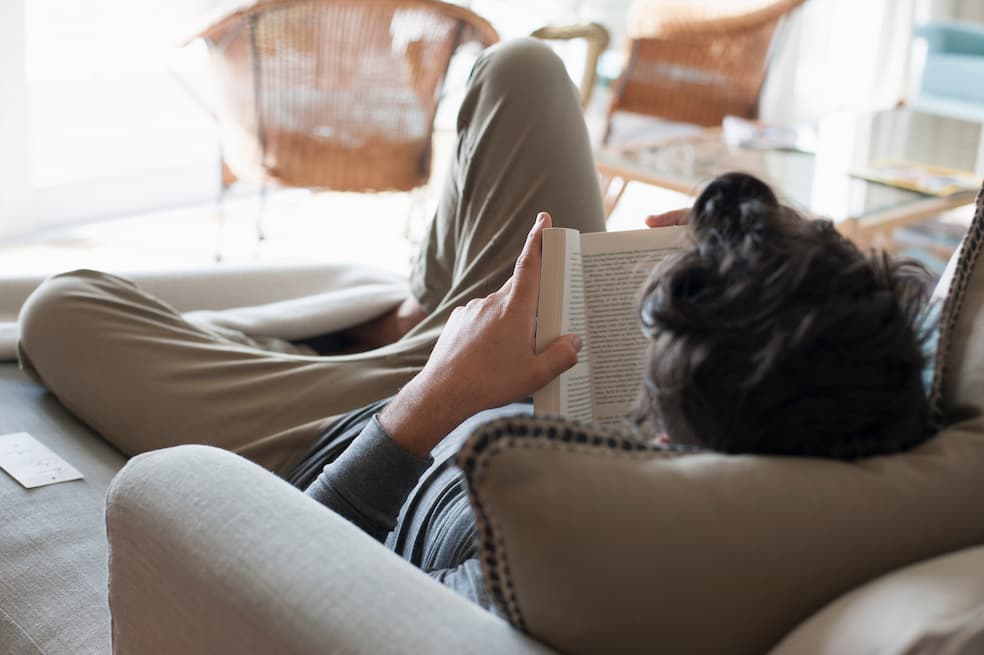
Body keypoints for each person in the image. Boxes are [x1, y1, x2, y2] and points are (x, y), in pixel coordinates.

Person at [16, 39, 933, 613]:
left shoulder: (537, 566)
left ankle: (400, 332)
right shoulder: (856, 407)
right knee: (522, 69)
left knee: (61, 310)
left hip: (369, 431)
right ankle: (419, 314)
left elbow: (294, 553)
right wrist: (772, 247)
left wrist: (438, 388)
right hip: (508, 362)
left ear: (667, 430)